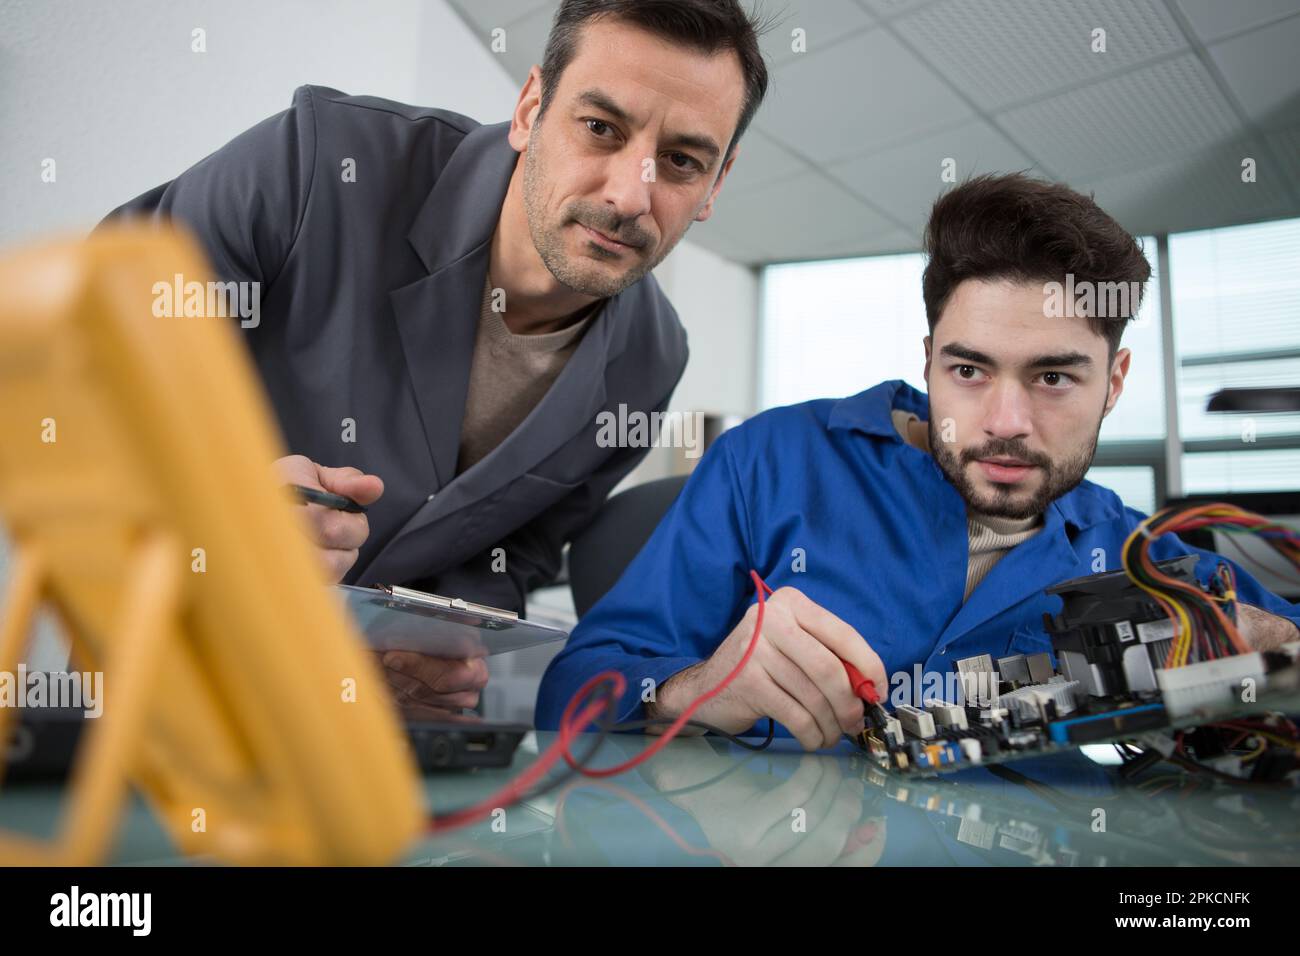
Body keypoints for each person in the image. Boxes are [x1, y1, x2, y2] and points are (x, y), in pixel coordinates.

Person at [102, 0, 769, 717]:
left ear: (715, 185)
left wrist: (434, 644)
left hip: (359, 730)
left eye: (680, 162)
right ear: (530, 109)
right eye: (601, 128)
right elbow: (94, 346)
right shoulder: (322, 161)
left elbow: (517, 553)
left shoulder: (652, 359)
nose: (629, 195)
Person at [536, 173, 1300, 749]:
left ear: (1116, 383)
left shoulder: (1138, 556)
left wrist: (1252, 649)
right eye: (969, 371)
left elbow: (1281, 648)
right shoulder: (769, 463)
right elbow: (572, 684)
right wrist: (692, 689)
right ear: (930, 359)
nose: (1004, 423)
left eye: (1054, 377)